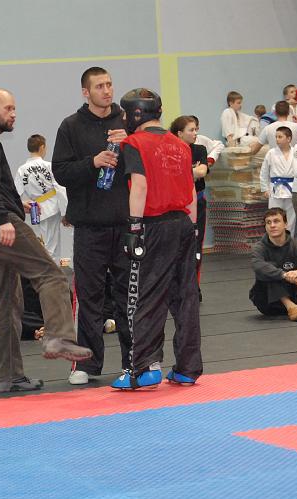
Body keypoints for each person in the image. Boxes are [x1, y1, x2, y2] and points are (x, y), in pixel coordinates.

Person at [0, 88, 91, 393]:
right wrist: (3, 217)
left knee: (9, 302)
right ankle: (59, 337)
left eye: (14, 108)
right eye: (8, 108)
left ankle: (8, 376)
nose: (13, 114)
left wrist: (15, 205)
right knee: (51, 275)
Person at [111, 87, 202, 390]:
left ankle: (143, 369)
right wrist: (193, 231)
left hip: (153, 224)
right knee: (185, 296)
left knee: (145, 295)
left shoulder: (134, 143)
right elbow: (191, 190)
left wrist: (134, 228)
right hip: (184, 223)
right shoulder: (180, 144)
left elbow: (139, 186)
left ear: (134, 114)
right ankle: (188, 368)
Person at [52, 66, 133, 385]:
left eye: (110, 84)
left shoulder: (128, 122)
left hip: (125, 223)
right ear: (86, 92)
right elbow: (60, 172)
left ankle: (135, 360)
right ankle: (85, 364)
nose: (107, 90)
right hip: (89, 226)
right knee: (89, 297)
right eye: (100, 86)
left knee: (130, 296)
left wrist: (132, 144)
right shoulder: (71, 126)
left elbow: (146, 167)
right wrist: (93, 163)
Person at [250, 207, 297, 321]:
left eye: (276, 221)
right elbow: (258, 265)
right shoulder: (259, 248)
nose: (272, 225)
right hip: (271, 301)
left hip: (296, 294)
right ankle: (290, 306)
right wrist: (285, 275)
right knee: (268, 271)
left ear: (285, 224)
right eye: (268, 222)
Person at [170, 115, 208, 292]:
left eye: (196, 130)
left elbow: (202, 171)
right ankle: (175, 286)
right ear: (179, 133)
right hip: (176, 206)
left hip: (198, 203)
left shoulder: (199, 149)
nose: (195, 133)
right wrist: (191, 171)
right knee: (175, 246)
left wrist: (182, 172)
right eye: (191, 130)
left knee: (196, 245)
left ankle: (194, 286)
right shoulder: (170, 151)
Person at [15, 134, 65, 261]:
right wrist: (65, 211)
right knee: (52, 245)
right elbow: (60, 188)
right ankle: (51, 269)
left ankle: (47, 267)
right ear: (42, 147)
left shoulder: (22, 170)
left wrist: (20, 206)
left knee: (42, 241)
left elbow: (14, 194)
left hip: (34, 209)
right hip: (52, 207)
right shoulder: (49, 166)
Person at [260, 126, 297, 235]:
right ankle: (273, 240)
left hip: (292, 188)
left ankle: (289, 241)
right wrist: (265, 189)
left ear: (289, 138)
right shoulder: (271, 153)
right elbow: (264, 172)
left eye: (280, 137)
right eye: (276, 137)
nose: (277, 139)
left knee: (291, 218)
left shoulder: (296, 152)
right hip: (275, 189)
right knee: (273, 216)